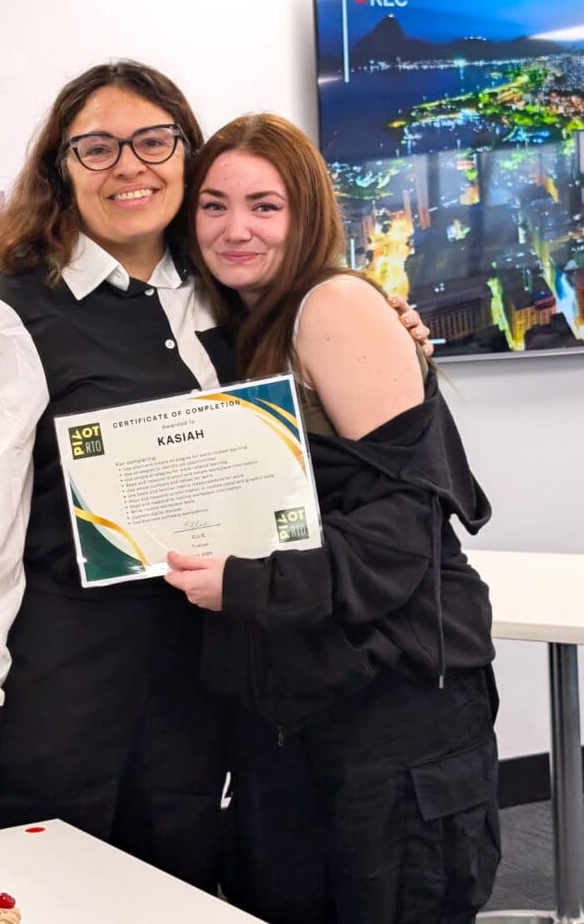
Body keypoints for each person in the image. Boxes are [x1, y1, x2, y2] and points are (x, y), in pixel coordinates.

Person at [0, 61, 431, 892]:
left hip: (205, 663)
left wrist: (390, 325)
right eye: (97, 147)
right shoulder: (19, 309)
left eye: (153, 141)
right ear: (61, 167)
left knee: (177, 880)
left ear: (185, 156)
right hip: (66, 667)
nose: (128, 165)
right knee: (42, 886)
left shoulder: (227, 293)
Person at [164, 113, 500, 923]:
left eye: (264, 206)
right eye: (213, 205)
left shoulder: (333, 305)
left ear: (307, 212)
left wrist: (248, 583)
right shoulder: (234, 326)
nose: (235, 229)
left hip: (391, 705)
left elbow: (400, 532)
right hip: (296, 707)